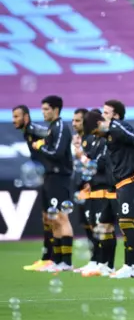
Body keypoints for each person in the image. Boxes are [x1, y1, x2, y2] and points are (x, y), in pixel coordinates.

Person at [100, 100, 134, 279]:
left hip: (130, 181)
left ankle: (133, 265)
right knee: (128, 224)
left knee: (127, 223)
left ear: (116, 115)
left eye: (106, 112)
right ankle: (133, 265)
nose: (102, 115)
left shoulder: (119, 126)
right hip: (122, 183)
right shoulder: (111, 133)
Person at [30, 96, 74, 272]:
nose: (43, 112)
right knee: (52, 219)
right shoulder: (52, 128)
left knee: (62, 218)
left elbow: (57, 152)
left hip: (59, 178)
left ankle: (67, 262)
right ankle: (56, 260)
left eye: (46, 109)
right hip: (50, 177)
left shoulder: (61, 127)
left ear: (56, 110)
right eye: (43, 109)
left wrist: (40, 146)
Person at [80, 110, 119, 277]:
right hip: (94, 188)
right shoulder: (93, 140)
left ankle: (107, 264)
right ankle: (99, 262)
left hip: (105, 188)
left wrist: (85, 160)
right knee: (98, 227)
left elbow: (101, 164)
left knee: (105, 227)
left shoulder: (104, 140)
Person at [15, 105, 52, 271]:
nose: (14, 120)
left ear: (26, 117)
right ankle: (47, 257)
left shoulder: (35, 129)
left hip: (52, 177)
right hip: (44, 177)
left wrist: (43, 146)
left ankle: (55, 259)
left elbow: (55, 138)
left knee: (53, 218)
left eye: (17, 116)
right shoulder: (27, 132)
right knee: (46, 218)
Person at [70, 108, 98, 274]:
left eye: (78, 121)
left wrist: (90, 181)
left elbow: (94, 164)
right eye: (73, 121)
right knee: (87, 225)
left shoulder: (90, 139)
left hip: (91, 187)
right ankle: (93, 260)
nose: (74, 124)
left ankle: (100, 261)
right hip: (80, 186)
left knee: (95, 225)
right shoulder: (78, 139)